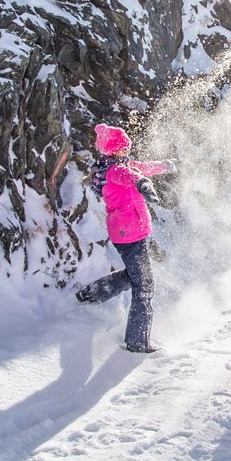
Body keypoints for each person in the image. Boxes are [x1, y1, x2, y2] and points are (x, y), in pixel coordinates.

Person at [75, 123, 175, 353]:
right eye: (123, 148)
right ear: (113, 150)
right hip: (128, 233)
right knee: (144, 285)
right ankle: (137, 341)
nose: (127, 151)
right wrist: (144, 186)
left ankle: (92, 293)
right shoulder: (115, 171)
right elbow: (133, 177)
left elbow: (142, 168)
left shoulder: (122, 165)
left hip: (130, 232)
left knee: (134, 276)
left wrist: (165, 166)